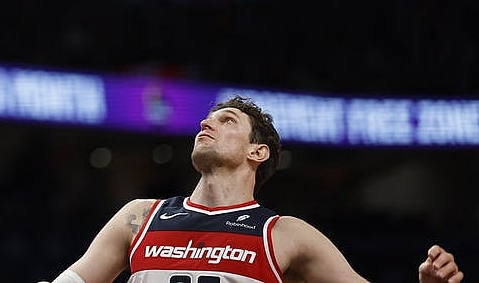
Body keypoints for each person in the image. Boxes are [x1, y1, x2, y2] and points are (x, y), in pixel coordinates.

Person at [46, 96, 464, 283]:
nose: (206, 124)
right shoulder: (140, 215)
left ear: (258, 151)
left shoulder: (285, 234)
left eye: (227, 120)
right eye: (207, 120)